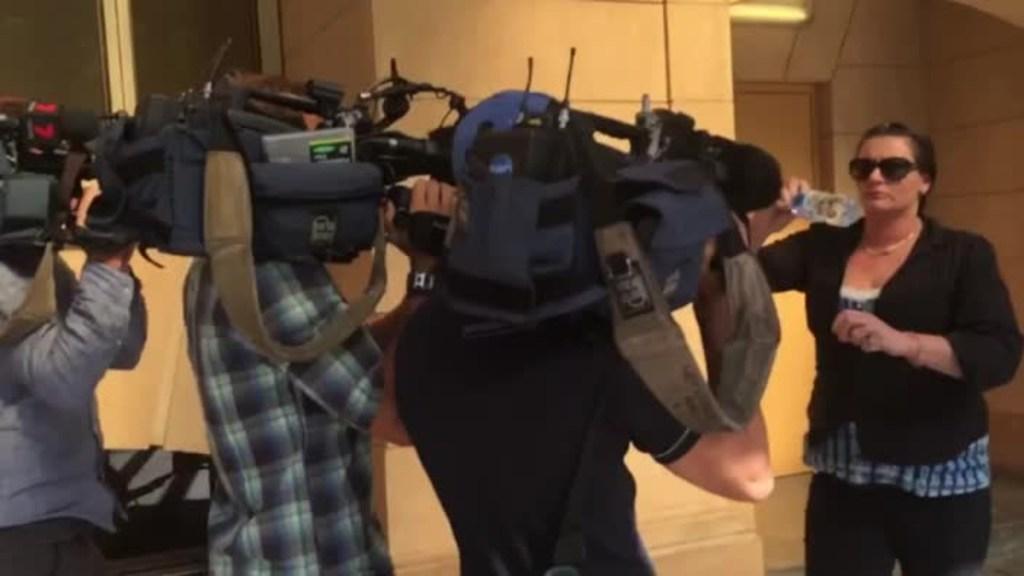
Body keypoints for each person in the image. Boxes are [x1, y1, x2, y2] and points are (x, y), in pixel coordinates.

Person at [391, 206, 775, 574]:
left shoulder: (425, 333)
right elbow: (750, 475)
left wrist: (423, 274)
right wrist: (717, 296)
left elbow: (394, 424)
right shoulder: (600, 346)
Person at [749, 122, 1023, 576]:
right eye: (864, 167)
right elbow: (738, 278)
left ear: (926, 181)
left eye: (894, 168)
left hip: (938, 471)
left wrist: (904, 343)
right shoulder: (827, 244)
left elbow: (999, 353)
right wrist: (765, 224)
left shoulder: (963, 254)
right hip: (844, 471)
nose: (876, 178)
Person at [185, 165, 451, 573]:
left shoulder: (224, 259)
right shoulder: (272, 275)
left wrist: (414, 284)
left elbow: (336, 361)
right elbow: (398, 416)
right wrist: (426, 275)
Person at [0, 235, 146, 573]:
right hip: (18, 536)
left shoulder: (35, 260)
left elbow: (123, 350)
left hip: (53, 522)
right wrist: (107, 271)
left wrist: (115, 266)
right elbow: (63, 379)